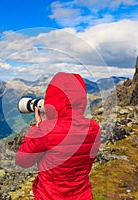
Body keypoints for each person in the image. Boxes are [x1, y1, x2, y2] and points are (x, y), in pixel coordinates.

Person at [15, 72, 101, 200]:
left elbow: (22, 161)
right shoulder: (94, 128)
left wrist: (38, 129)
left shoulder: (46, 130)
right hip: (82, 196)